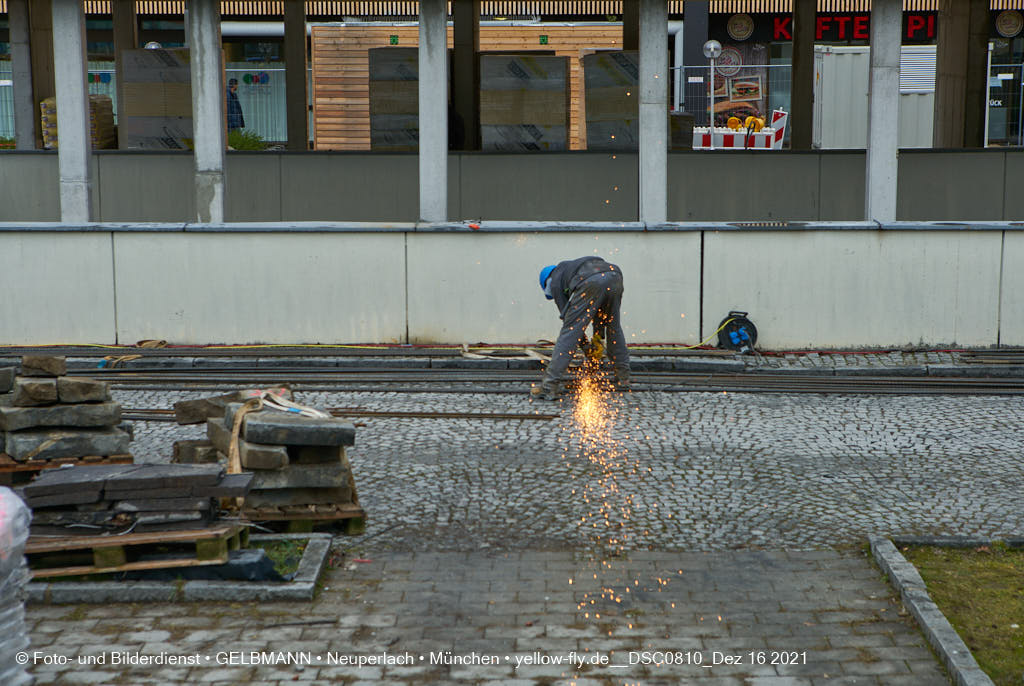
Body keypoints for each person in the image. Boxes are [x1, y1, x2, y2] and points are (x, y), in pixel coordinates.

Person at [531, 256, 631, 400]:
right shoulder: (573, 269)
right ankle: (623, 377)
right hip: (614, 276)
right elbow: (599, 313)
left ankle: (549, 386)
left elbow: (571, 327)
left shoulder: (555, 282)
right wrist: (597, 339)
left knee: (569, 333)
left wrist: (585, 347)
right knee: (613, 326)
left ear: (547, 282)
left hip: (591, 280)